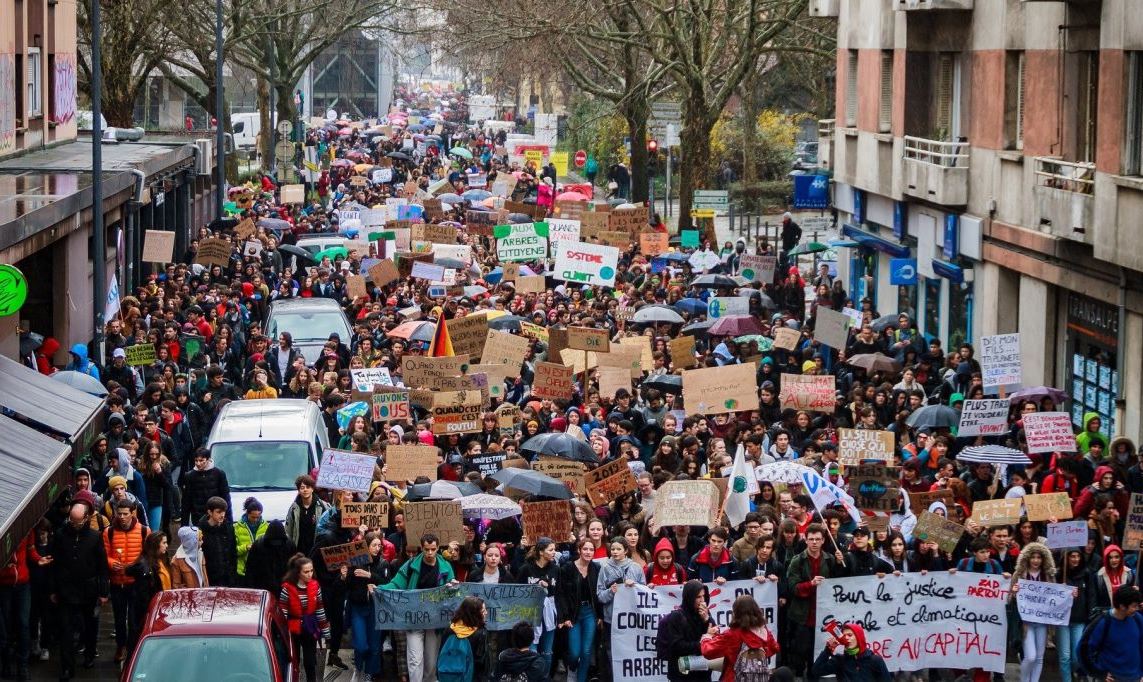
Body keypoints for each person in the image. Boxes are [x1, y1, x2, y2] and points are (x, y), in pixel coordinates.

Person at [382, 533, 458, 682]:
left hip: (434, 621)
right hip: (414, 619)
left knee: (430, 663)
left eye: (433, 549)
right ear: (422, 548)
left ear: (437, 548)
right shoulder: (410, 565)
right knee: (415, 660)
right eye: (426, 549)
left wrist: (453, 587)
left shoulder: (446, 567)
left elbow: (453, 593)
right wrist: (380, 589)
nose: (430, 553)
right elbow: (396, 584)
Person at [49, 495, 109, 680]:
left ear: (85, 518)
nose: (74, 525)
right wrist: (53, 589)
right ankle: (67, 667)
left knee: (89, 626)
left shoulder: (94, 537)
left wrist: (103, 591)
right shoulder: (60, 535)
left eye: (78, 522)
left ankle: (89, 654)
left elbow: (102, 565)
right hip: (66, 590)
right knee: (66, 630)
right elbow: (54, 563)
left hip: (88, 590)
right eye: (71, 521)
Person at [785, 524, 842, 680]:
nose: (814, 542)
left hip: (823, 616)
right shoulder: (797, 560)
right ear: (806, 540)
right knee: (799, 652)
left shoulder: (830, 559)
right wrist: (810, 584)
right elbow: (792, 587)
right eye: (811, 539)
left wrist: (840, 564)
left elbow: (839, 583)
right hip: (802, 616)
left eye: (818, 539)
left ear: (823, 540)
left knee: (816, 654)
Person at [103, 499, 148, 663]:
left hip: (136, 582)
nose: (121, 517)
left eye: (125, 514)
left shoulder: (144, 530)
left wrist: (138, 565)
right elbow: (104, 553)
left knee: (134, 619)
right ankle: (120, 645)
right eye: (119, 513)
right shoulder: (108, 532)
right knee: (119, 618)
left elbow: (148, 554)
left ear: (133, 513)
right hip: (117, 582)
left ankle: (134, 647)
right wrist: (110, 562)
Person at [699, 594, 780, 682]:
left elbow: (708, 651)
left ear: (736, 613)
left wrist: (707, 637)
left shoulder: (732, 634)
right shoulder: (763, 630)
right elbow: (775, 647)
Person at [597, 536, 645, 679]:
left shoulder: (636, 568)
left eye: (619, 549)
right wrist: (611, 591)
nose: (615, 552)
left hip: (631, 620)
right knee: (611, 652)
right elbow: (600, 595)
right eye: (613, 549)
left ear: (625, 550)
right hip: (610, 620)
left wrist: (635, 586)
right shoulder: (604, 568)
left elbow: (644, 593)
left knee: (630, 651)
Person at [1009, 541, 1059, 682]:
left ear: (1044, 559)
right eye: (1033, 557)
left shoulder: (1049, 575)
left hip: (1042, 622)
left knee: (1039, 657)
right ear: (1027, 558)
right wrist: (1013, 593)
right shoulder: (1018, 574)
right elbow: (1009, 599)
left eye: (1039, 557)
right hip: (1026, 623)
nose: (1036, 560)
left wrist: (1068, 593)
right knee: (1030, 656)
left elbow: (1056, 597)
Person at [346, 532, 393, 681]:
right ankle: (358, 668)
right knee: (361, 645)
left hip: (375, 609)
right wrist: (343, 576)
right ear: (366, 546)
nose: (377, 548)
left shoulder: (384, 564)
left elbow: (388, 584)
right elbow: (346, 585)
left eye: (379, 545)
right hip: (358, 608)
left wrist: (370, 576)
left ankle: (369, 673)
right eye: (374, 545)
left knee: (374, 647)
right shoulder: (355, 561)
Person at [278, 554, 331, 682]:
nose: (310, 574)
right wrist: (282, 633)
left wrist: (325, 631)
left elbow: (320, 609)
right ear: (298, 573)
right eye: (306, 572)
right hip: (293, 629)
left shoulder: (315, 586)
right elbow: (283, 612)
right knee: (293, 660)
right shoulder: (287, 589)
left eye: (311, 571)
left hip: (310, 627)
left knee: (310, 661)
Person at [656, 579, 718, 682]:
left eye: (704, 596)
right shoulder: (677, 616)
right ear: (689, 597)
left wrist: (706, 620)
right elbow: (677, 646)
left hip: (702, 674)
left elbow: (714, 638)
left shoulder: (705, 614)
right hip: (682, 675)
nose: (702, 600)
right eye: (698, 597)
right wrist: (703, 643)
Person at [557, 538, 600, 682]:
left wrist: (599, 615)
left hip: (590, 613)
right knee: (575, 653)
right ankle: (572, 668)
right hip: (573, 614)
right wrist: (565, 617)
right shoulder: (567, 568)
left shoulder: (596, 568)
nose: (588, 552)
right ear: (579, 550)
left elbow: (599, 593)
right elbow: (561, 594)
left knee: (586, 651)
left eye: (591, 549)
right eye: (585, 549)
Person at [515, 537, 560, 670]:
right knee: (532, 649)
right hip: (530, 612)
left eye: (554, 550)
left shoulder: (556, 569)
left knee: (547, 651)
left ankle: (544, 677)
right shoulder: (526, 569)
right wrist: (536, 585)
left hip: (550, 613)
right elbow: (518, 591)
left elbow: (559, 592)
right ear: (541, 552)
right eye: (551, 550)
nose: (554, 553)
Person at [1084, 584, 1143, 682]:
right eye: (1134, 606)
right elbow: (1083, 650)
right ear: (1122, 606)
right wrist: (1097, 672)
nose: (1137, 609)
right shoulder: (1103, 622)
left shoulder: (1138, 619)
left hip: (1135, 678)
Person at [438, 595, 492, 682]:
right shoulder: (481, 633)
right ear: (474, 614)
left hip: (447, 676)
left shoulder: (450, 629)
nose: (486, 613)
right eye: (483, 611)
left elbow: (440, 655)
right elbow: (482, 664)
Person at [812, 622, 890, 681]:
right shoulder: (839, 660)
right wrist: (827, 650)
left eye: (850, 635)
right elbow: (816, 671)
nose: (846, 638)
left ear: (859, 637)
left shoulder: (875, 660)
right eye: (844, 635)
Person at [245, 520, 298, 594]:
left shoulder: (289, 545)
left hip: (283, 585)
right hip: (263, 585)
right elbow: (251, 568)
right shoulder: (258, 545)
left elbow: (294, 567)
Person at [285, 474, 330, 555]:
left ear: (312, 489)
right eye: (302, 488)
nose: (305, 490)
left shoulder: (323, 506)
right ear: (298, 490)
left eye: (308, 487)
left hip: (317, 550)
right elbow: (288, 531)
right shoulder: (293, 508)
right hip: (299, 551)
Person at [199, 496, 238, 587]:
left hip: (228, 578)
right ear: (210, 512)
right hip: (211, 578)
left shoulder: (228, 528)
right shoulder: (201, 531)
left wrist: (232, 574)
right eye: (219, 512)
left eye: (224, 511)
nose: (222, 515)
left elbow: (233, 552)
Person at [234, 496, 267, 584]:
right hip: (242, 571)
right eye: (253, 517)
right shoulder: (236, 528)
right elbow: (232, 551)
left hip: (260, 570)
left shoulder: (266, 527)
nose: (255, 520)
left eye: (258, 517)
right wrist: (246, 547)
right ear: (247, 513)